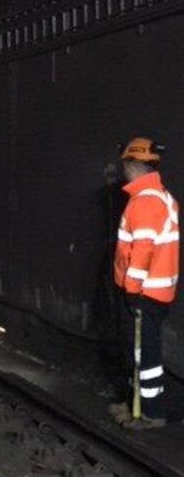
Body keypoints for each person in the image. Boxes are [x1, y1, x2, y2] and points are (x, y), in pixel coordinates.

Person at [108, 137, 179, 430]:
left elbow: (143, 251)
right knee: (137, 349)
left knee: (144, 352)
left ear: (131, 165)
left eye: (124, 164)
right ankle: (133, 402)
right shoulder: (160, 195)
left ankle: (150, 414)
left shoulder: (145, 201)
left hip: (145, 293)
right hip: (157, 290)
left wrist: (132, 291)